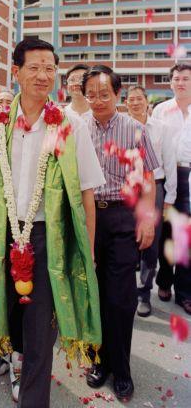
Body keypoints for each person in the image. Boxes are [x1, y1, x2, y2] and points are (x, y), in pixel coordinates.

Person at [0, 38, 105, 408]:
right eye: (34, 67)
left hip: (46, 239)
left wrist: (85, 252)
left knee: (39, 339)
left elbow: (86, 193)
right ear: (17, 72)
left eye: (49, 68)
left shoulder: (69, 125)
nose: (43, 75)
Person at [83, 66, 158, 402]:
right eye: (92, 94)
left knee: (121, 298)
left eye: (105, 94)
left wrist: (146, 220)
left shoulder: (135, 129)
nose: (98, 100)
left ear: (117, 94)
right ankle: (99, 361)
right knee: (93, 295)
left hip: (122, 218)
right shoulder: (77, 129)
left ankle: (122, 368)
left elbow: (148, 181)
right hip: (88, 218)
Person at [126, 85, 177, 317]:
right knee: (127, 239)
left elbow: (168, 161)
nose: (134, 103)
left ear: (147, 102)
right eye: (130, 99)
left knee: (150, 241)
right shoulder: (122, 125)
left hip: (154, 187)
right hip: (128, 187)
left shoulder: (161, 128)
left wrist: (169, 196)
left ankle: (144, 292)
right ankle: (125, 290)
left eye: (138, 99)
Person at [152, 63, 191, 314]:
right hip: (168, 175)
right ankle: (164, 281)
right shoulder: (161, 110)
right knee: (166, 232)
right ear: (170, 83)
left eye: (186, 79)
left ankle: (185, 292)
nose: (181, 83)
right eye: (176, 79)